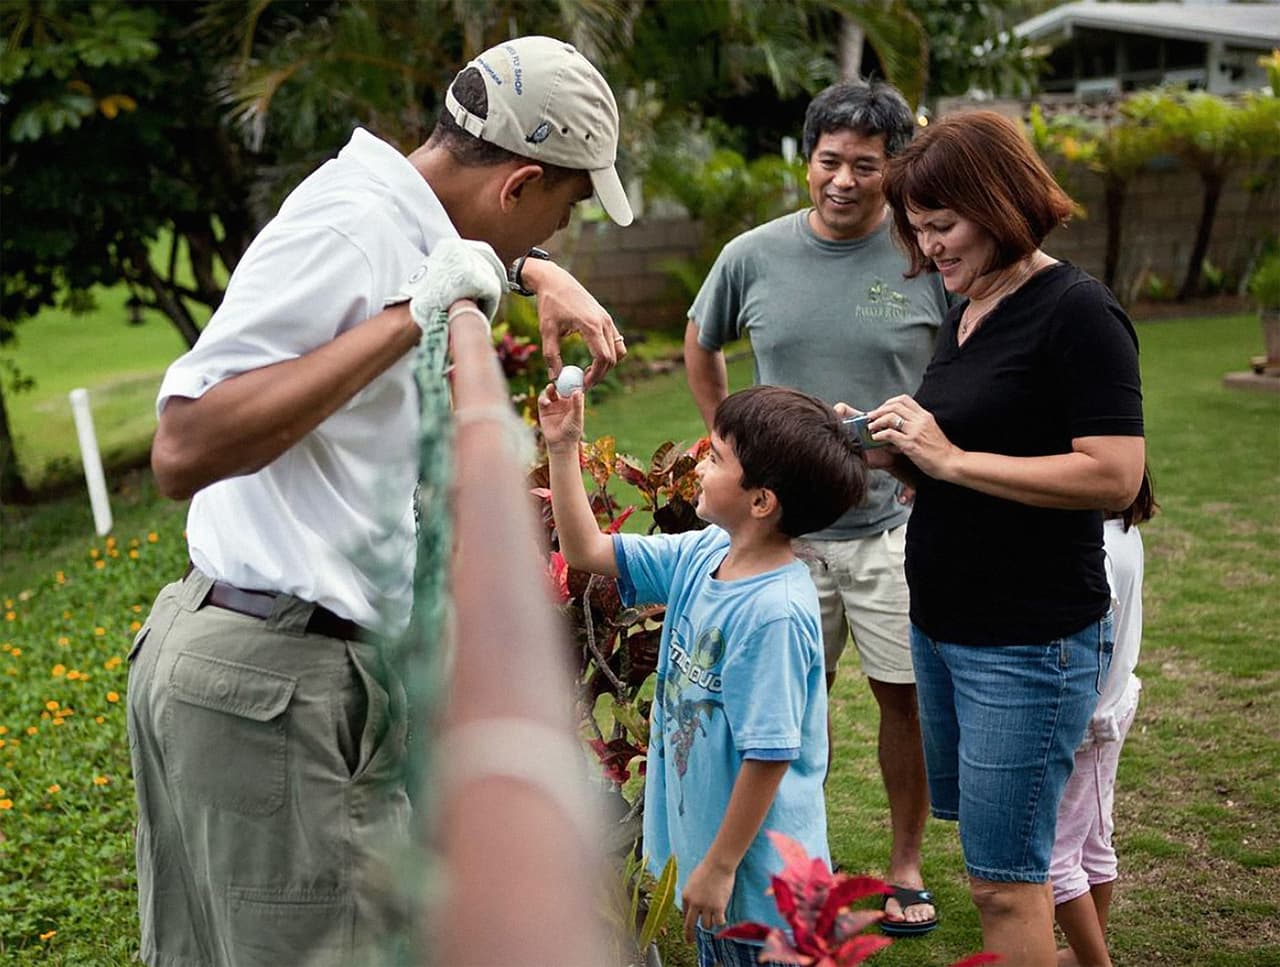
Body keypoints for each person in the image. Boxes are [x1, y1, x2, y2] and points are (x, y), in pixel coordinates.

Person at [127, 36, 633, 967]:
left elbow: (446, 249)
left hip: (279, 667)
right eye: (563, 212)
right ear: (518, 183)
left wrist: (528, 273)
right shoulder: (352, 227)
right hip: (273, 678)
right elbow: (183, 445)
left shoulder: (401, 216)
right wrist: (415, 314)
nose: (561, 236)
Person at [857, 108, 1145, 966]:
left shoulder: (1078, 312)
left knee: (1004, 879)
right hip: (945, 626)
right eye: (918, 230)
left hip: (1027, 641)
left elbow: (1113, 474)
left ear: (1000, 202)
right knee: (990, 853)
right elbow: (983, 449)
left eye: (942, 226)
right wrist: (897, 450)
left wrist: (948, 458)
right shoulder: (969, 307)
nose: (928, 249)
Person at [683, 78, 948, 935]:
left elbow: (964, 364)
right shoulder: (753, 254)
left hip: (891, 528)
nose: (843, 180)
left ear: (893, 168)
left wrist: (931, 456)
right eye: (828, 161)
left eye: (864, 165)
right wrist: (732, 440)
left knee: (901, 697)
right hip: (785, 536)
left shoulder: (925, 255)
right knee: (786, 711)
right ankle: (797, 876)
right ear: (808, 162)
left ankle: (905, 864)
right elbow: (702, 341)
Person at [538, 382, 865, 967]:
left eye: (716, 459)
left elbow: (769, 754)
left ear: (761, 501)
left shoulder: (774, 614)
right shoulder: (702, 554)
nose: (702, 467)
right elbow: (586, 550)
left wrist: (719, 867)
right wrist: (563, 449)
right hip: (713, 862)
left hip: (759, 887)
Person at [1051, 469, 1158, 967]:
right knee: (1094, 835)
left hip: (1086, 722)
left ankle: (1094, 960)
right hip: (1110, 707)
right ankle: (1085, 951)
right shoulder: (1123, 532)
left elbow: (1087, 641)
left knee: (1055, 857)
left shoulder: (1093, 550)